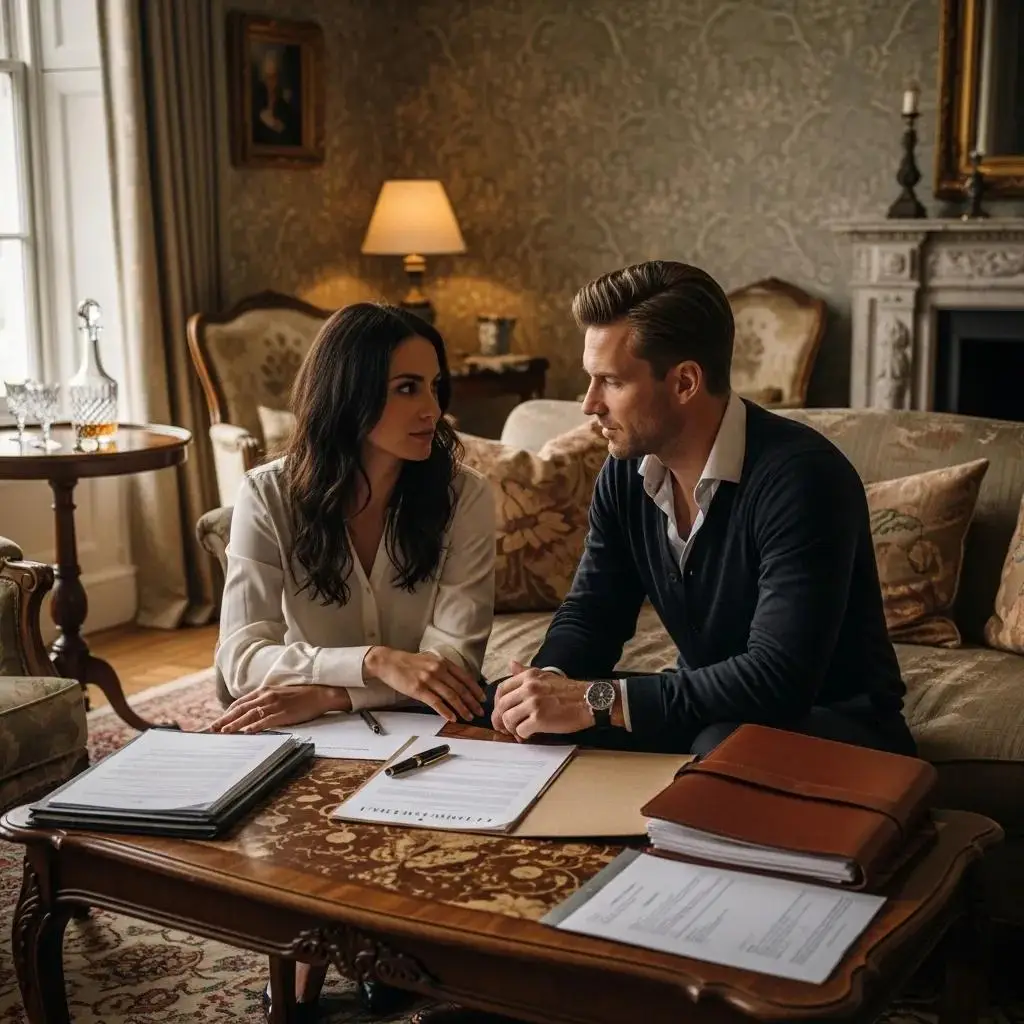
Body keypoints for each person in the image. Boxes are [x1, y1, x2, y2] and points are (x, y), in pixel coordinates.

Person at [490, 260, 916, 759]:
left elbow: (778, 677)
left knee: (718, 744)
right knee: (502, 702)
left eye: (610, 382)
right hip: (714, 711)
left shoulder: (804, 478)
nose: (589, 404)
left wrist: (595, 700)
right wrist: (548, 685)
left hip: (837, 725)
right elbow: (594, 612)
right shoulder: (625, 473)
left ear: (685, 382)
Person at [209, 302, 495, 1019]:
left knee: (442, 794)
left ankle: (398, 951)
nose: (432, 408)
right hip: (301, 733)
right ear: (348, 391)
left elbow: (449, 668)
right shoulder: (268, 493)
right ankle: (310, 948)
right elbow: (241, 660)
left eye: (435, 385)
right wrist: (371, 663)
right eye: (406, 388)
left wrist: (332, 692)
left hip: (406, 731)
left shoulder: (465, 497)